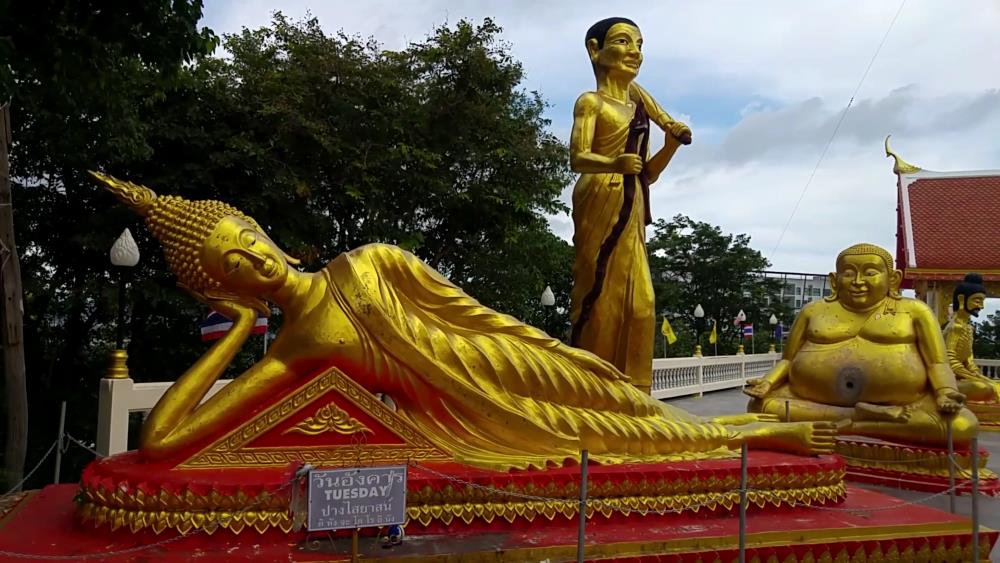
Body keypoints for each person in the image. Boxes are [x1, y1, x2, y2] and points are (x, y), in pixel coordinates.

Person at [92, 171, 836, 470]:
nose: (252, 261)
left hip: (506, 359)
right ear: (225, 287)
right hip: (473, 414)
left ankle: (750, 431)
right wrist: (231, 334)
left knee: (625, 401)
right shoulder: (292, 350)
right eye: (232, 267)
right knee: (626, 440)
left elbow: (470, 314)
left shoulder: (369, 260)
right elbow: (162, 443)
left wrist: (550, 345)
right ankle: (763, 433)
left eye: (246, 241)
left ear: (261, 229)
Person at [745, 243, 978, 447]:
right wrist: (767, 383)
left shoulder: (915, 311)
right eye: (848, 273)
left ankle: (847, 427)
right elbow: (788, 360)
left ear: (893, 279)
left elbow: (938, 362)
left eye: (870, 273)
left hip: (906, 403)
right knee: (760, 406)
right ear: (834, 280)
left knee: (961, 425)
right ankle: (865, 417)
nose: (858, 282)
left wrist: (945, 393)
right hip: (813, 399)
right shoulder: (812, 311)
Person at [568, 17, 691, 395]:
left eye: (639, 44)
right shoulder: (592, 103)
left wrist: (670, 143)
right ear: (595, 49)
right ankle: (591, 387)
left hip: (632, 202)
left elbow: (646, 173)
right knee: (600, 293)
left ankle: (636, 392)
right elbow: (578, 157)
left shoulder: (639, 104)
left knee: (641, 302)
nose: (635, 51)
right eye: (623, 41)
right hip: (600, 197)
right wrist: (614, 164)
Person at [944, 273, 998, 402]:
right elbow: (950, 361)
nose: (981, 306)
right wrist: (976, 378)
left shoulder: (968, 328)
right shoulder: (954, 327)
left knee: (992, 385)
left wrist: (980, 376)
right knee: (983, 388)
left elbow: (968, 361)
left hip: (962, 377)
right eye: (977, 301)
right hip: (947, 380)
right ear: (962, 300)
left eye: (982, 301)